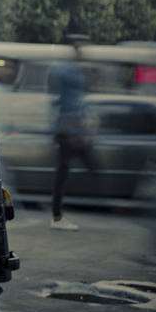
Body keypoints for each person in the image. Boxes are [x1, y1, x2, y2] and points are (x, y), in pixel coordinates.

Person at [47, 36, 97, 230]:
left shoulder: (64, 70)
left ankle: (57, 215)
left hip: (66, 129)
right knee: (67, 170)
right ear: (77, 51)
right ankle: (57, 216)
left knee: (64, 171)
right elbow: (72, 104)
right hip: (68, 130)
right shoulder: (72, 72)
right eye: (82, 50)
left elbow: (60, 100)